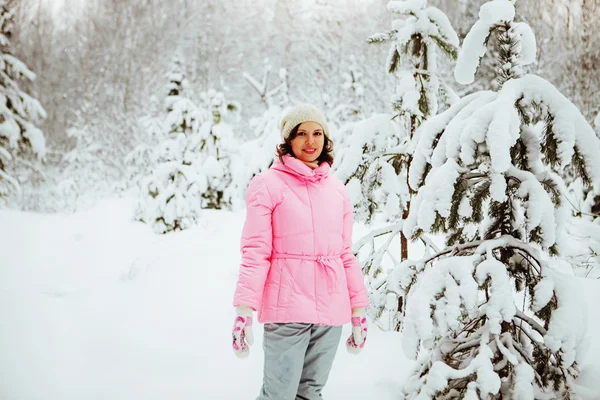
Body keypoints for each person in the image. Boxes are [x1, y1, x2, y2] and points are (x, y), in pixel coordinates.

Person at [232, 103, 369, 399]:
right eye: (302, 133)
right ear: (288, 141)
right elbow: (256, 251)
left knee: (311, 393)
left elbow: (345, 253)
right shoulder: (267, 184)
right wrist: (244, 309)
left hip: (330, 312)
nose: (311, 141)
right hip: (287, 309)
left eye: (317, 133)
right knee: (279, 394)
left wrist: (358, 310)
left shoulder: (337, 190)